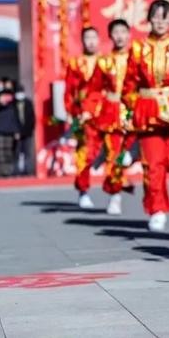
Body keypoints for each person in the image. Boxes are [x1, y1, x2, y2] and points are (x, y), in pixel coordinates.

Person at [122, 0, 169, 232]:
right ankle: (157, 209)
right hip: (148, 110)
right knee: (154, 165)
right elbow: (129, 83)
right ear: (148, 19)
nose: (160, 22)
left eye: (165, 17)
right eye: (156, 16)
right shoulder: (138, 48)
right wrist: (133, 106)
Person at [88, 19, 135, 215]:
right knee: (115, 156)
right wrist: (90, 110)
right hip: (112, 113)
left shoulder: (138, 56)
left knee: (134, 154)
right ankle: (115, 196)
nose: (120, 36)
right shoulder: (104, 62)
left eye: (123, 31)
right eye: (116, 32)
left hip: (136, 112)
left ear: (129, 34)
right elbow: (94, 89)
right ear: (110, 36)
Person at [65, 27, 102, 208]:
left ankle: (115, 192)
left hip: (105, 113)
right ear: (82, 41)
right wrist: (72, 114)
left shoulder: (106, 61)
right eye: (87, 38)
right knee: (84, 153)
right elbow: (69, 92)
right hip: (83, 116)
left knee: (112, 151)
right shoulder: (75, 64)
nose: (91, 41)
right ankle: (83, 190)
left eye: (94, 37)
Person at [0, 82, 19, 177]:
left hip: (9, 131)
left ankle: (8, 172)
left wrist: (16, 131)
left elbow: (15, 118)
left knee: (8, 153)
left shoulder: (12, 104)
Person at [13, 83, 35, 176]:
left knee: (27, 153)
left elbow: (32, 118)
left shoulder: (28, 103)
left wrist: (29, 130)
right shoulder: (13, 104)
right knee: (17, 152)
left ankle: (28, 170)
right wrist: (15, 131)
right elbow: (12, 119)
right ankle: (16, 171)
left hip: (27, 132)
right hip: (17, 133)